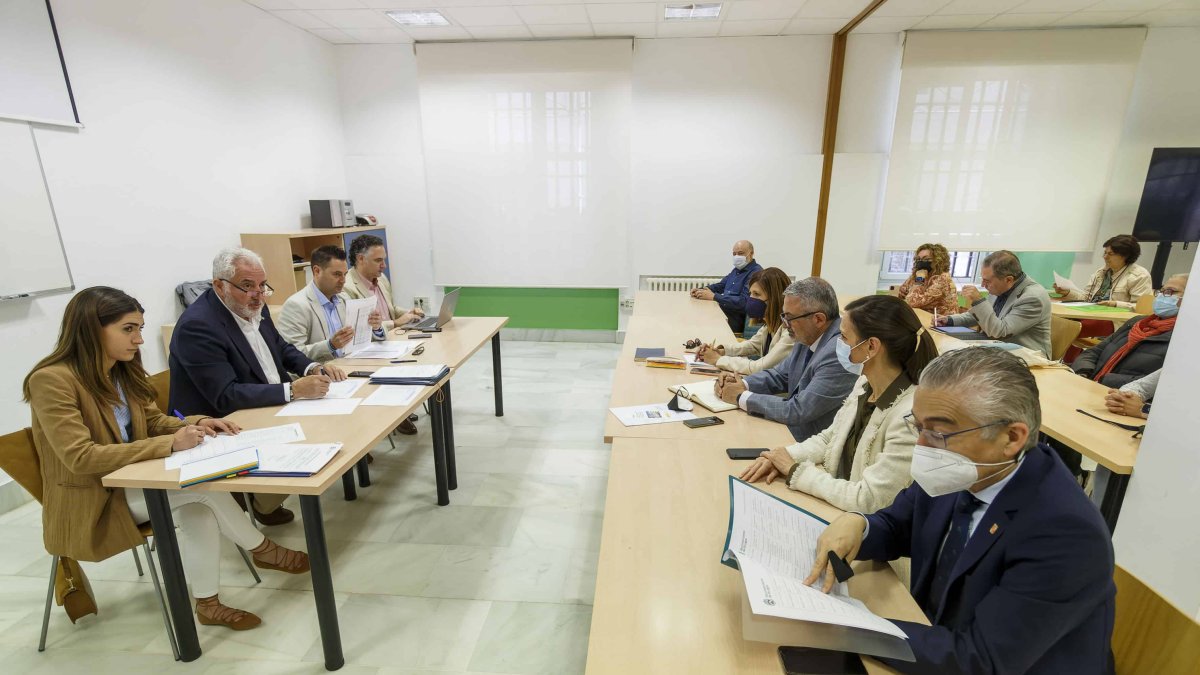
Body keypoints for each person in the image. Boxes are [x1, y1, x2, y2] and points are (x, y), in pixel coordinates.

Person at [806, 348, 1115, 674]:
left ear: (1011, 437)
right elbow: (898, 526)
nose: (922, 447)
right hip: (936, 639)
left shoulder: (1064, 532)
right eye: (919, 426)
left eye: (938, 433)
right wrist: (858, 524)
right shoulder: (961, 471)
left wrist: (851, 625)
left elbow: (980, 660)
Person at [24, 287, 311, 631]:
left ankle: (208, 604)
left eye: (140, 329)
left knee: (198, 509)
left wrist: (198, 422)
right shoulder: (52, 381)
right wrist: (170, 446)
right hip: (93, 498)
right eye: (128, 329)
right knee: (201, 488)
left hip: (133, 481)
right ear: (91, 329)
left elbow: (154, 420)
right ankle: (264, 549)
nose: (139, 340)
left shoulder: (119, 370)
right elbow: (80, 457)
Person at [169, 247, 347, 525]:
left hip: (263, 403)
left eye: (262, 286)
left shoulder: (250, 306)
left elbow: (281, 347)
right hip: (220, 424)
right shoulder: (199, 326)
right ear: (219, 285)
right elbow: (225, 396)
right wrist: (294, 390)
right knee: (311, 436)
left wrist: (311, 367)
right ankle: (254, 499)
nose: (258, 294)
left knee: (337, 423)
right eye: (247, 286)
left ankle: (265, 499)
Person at [739, 296, 939, 517]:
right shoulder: (865, 384)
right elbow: (830, 438)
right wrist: (782, 456)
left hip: (862, 529)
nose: (837, 344)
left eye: (843, 337)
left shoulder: (909, 417)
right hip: (837, 510)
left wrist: (795, 470)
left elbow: (868, 499)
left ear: (871, 346)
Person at [715, 277, 858, 442]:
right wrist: (740, 383)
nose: (785, 324)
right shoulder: (807, 333)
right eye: (784, 316)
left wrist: (740, 397)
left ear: (818, 319)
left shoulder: (839, 352)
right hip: (789, 432)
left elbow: (799, 409)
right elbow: (780, 375)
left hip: (811, 445)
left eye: (789, 318)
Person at [1071, 274, 1187, 388]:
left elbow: (1156, 383)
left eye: (1171, 291)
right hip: (1091, 384)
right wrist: (1083, 373)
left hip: (1120, 397)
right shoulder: (1137, 323)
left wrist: (1103, 380)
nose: (1162, 296)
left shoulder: (1184, 339)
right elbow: (1094, 351)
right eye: (1161, 291)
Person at [933, 250, 1052, 358]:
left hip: (1028, 356)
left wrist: (978, 300)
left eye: (987, 281)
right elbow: (981, 316)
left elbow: (1000, 332)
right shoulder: (1000, 286)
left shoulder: (1032, 298)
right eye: (982, 279)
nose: (983, 285)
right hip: (998, 348)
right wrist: (949, 320)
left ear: (1009, 279)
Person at [277, 245, 385, 362]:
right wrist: (330, 345)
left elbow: (360, 340)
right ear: (317, 271)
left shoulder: (344, 298)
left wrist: (375, 327)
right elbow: (292, 355)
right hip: (322, 374)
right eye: (337, 274)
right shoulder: (296, 305)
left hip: (350, 365)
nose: (343, 280)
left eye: (344, 274)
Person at [695, 267, 795, 375]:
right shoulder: (769, 325)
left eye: (756, 294)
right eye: (750, 294)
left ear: (775, 298)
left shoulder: (791, 332)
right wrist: (720, 351)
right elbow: (752, 345)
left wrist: (718, 359)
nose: (751, 299)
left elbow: (760, 367)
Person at [343, 234, 424, 331]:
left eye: (383, 259)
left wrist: (409, 313)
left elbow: (390, 310)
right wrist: (395, 323)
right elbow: (360, 328)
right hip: (376, 342)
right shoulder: (347, 288)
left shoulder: (381, 278)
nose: (384, 266)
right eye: (378, 260)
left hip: (393, 337)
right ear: (361, 259)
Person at [1054, 234, 1152, 309]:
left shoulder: (1139, 275)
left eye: (1110, 254)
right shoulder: (1101, 272)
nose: (1105, 257)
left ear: (1125, 256)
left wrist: (1115, 304)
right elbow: (1087, 298)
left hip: (1114, 321)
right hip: (1089, 312)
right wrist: (1067, 293)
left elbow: (1141, 307)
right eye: (1105, 253)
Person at [690, 240, 763, 333]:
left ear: (751, 254)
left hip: (736, 321)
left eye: (740, 253)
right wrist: (700, 290)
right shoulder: (736, 270)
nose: (737, 257)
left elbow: (744, 302)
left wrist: (714, 296)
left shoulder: (756, 273)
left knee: (700, 324)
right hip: (723, 313)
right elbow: (721, 285)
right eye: (734, 254)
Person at [896, 243, 958, 316]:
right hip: (923, 317)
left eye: (927, 259)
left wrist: (919, 280)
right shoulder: (920, 273)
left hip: (941, 323)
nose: (921, 262)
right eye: (918, 259)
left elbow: (912, 302)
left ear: (938, 261)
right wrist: (903, 293)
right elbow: (903, 293)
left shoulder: (943, 279)